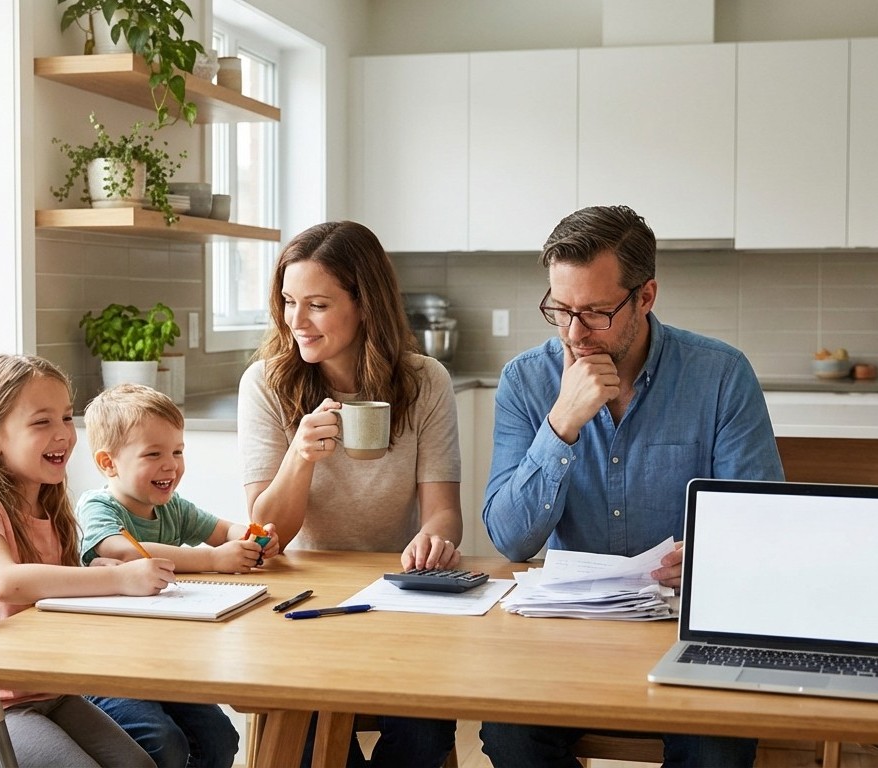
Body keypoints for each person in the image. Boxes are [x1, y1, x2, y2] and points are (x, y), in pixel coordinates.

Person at [478, 205, 785, 768]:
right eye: (560, 310)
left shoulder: (719, 375)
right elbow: (511, 540)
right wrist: (561, 425)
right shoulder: (527, 380)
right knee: (509, 736)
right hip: (569, 627)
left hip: (688, 624)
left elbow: (762, 524)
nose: (574, 333)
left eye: (595, 313)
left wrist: (713, 556)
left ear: (645, 297)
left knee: (717, 750)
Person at [237, 220, 462, 768]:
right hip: (301, 601)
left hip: (397, 600)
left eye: (317, 304)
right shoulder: (266, 384)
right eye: (289, 302)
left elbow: (444, 514)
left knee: (426, 731)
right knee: (308, 733)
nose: (296, 322)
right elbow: (266, 537)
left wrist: (433, 543)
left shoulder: (425, 382)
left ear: (365, 305)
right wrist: (300, 456)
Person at [0, 354, 173, 768]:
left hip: (49, 694)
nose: (64, 434)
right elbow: (2, 579)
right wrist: (120, 580)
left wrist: (89, 576)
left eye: (66, 417)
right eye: (42, 422)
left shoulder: (48, 505)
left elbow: (43, 595)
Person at [76, 382, 276, 768]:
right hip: (107, 670)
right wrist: (212, 560)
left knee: (220, 740)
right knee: (163, 743)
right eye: (154, 454)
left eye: (178, 451)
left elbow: (224, 531)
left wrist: (253, 536)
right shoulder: (99, 506)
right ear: (108, 463)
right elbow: (121, 549)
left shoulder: (172, 508)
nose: (171, 464)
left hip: (164, 665)